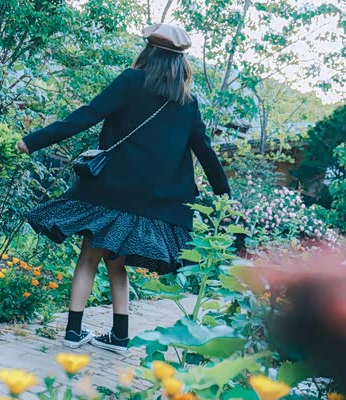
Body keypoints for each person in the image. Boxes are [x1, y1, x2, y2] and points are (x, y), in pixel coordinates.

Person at [17, 23, 231, 354]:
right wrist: (225, 199)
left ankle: (73, 331)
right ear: (180, 62)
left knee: (89, 257)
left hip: (110, 191)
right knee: (116, 262)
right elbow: (206, 153)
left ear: (149, 52)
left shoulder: (131, 81)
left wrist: (32, 141)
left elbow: (86, 116)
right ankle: (120, 335)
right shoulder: (187, 103)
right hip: (151, 201)